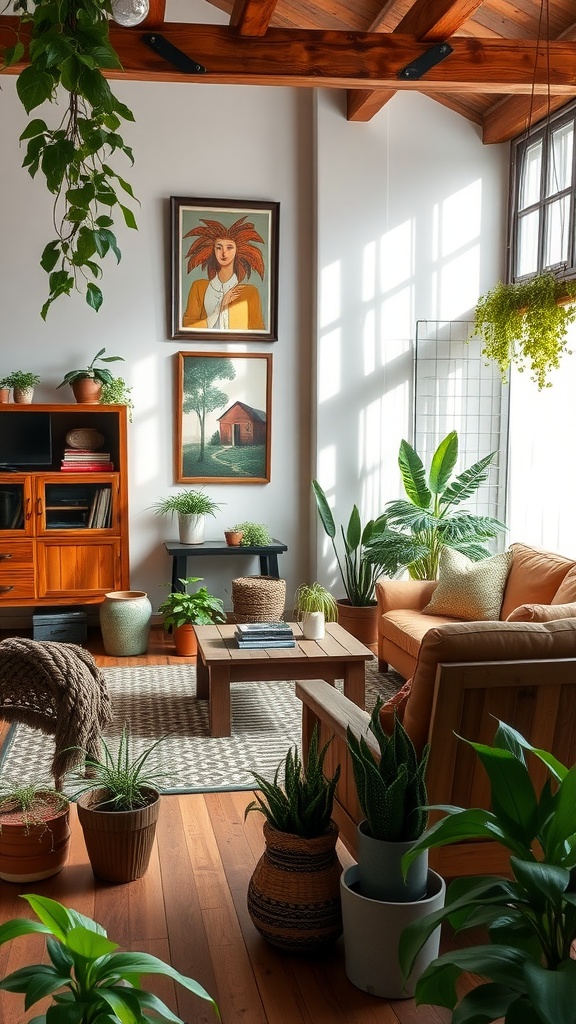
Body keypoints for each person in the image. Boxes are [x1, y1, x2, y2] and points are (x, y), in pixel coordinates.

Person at [182, 215, 266, 330]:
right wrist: (221, 307)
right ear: (212, 250)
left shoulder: (250, 292)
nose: (224, 253)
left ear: (238, 251)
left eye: (229, 247)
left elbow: (258, 331)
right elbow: (187, 327)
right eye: (219, 247)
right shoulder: (198, 287)